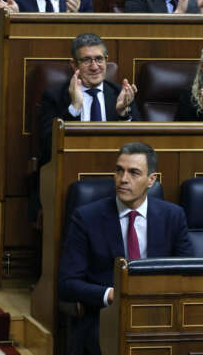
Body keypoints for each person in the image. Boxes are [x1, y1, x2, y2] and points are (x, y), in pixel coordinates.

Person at [58, 142, 189, 355]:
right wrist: (111, 295)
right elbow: (67, 283)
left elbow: (187, 273)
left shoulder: (173, 217)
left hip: (159, 314)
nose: (123, 179)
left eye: (134, 173)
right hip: (106, 316)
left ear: (151, 180)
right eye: (119, 170)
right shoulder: (87, 218)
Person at [38, 34, 139, 165]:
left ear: (106, 60)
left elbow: (139, 146)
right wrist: (74, 109)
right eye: (86, 60)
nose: (94, 66)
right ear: (74, 65)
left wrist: (123, 115)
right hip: (70, 166)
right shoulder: (54, 96)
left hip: (113, 167)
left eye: (99, 59)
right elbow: (47, 147)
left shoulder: (122, 94)